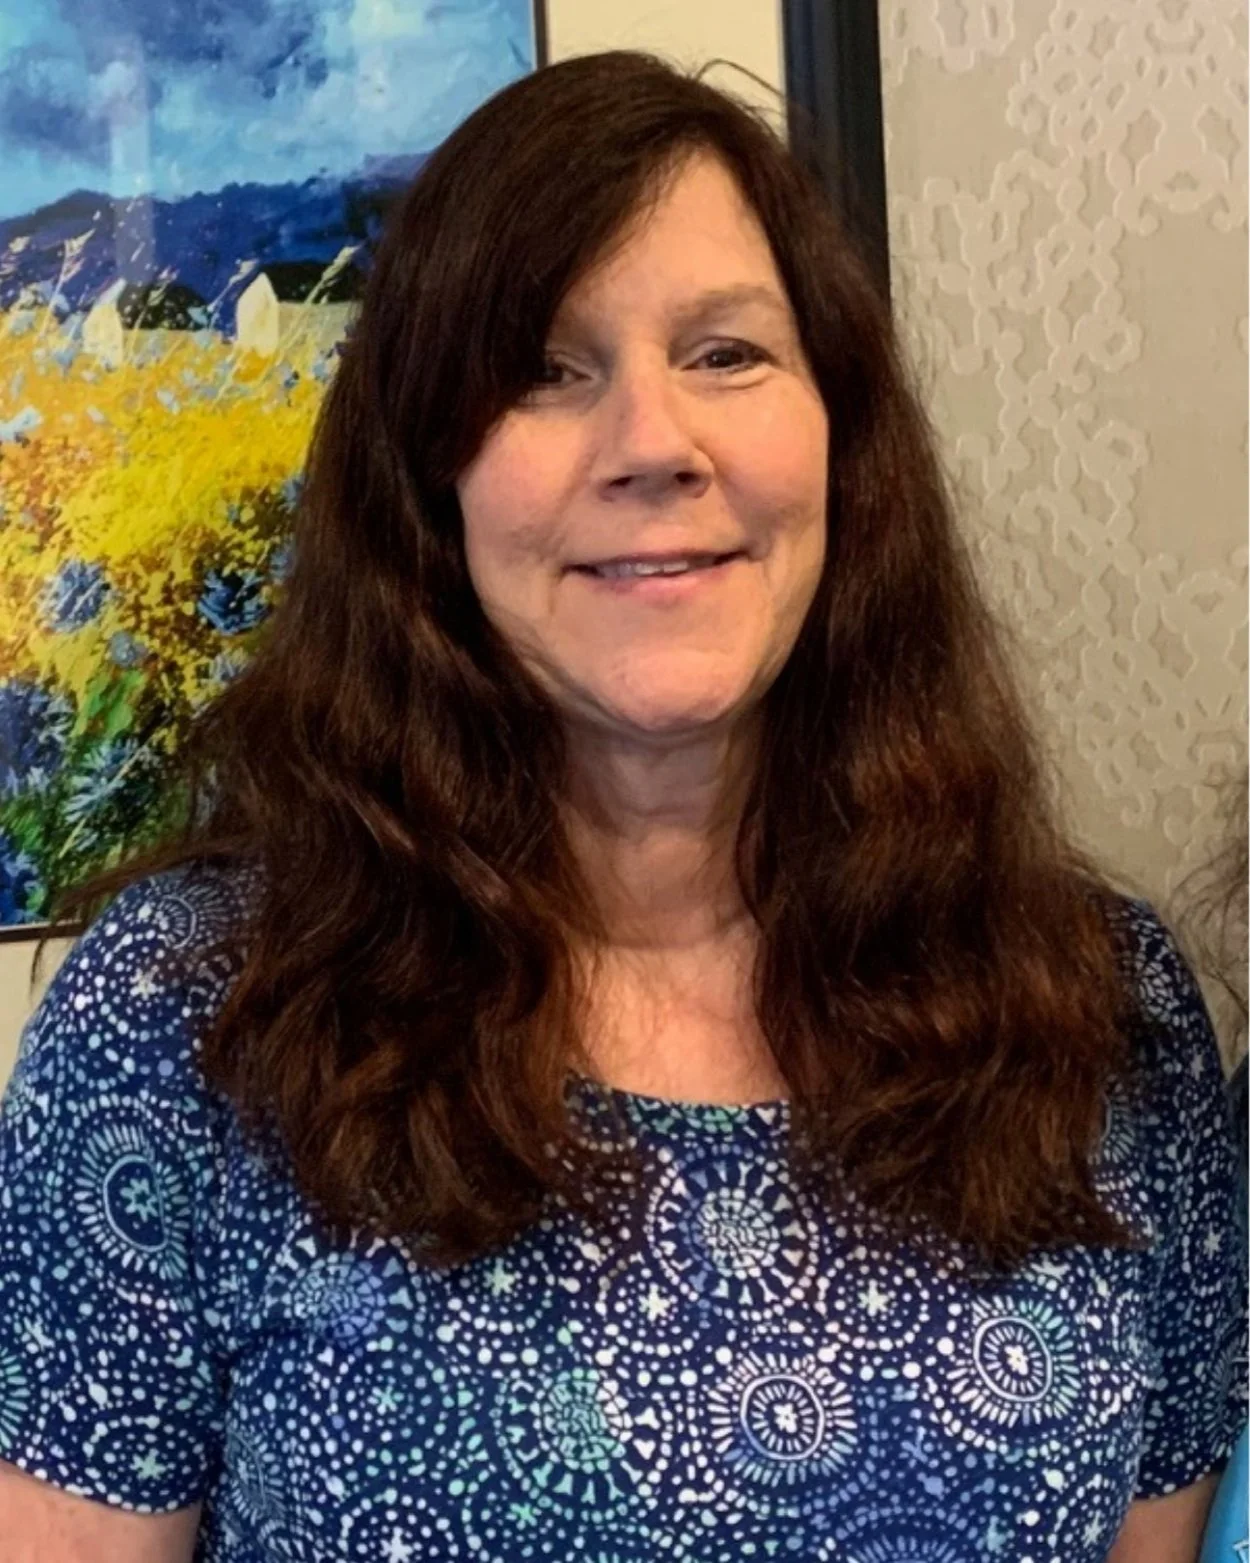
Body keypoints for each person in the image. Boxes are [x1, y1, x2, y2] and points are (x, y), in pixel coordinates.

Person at [0, 51, 1244, 1563]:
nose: (655, 442)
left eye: (725, 353)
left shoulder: (1106, 1021)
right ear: (425, 481)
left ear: (842, 444)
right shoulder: (184, 1023)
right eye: (544, 368)